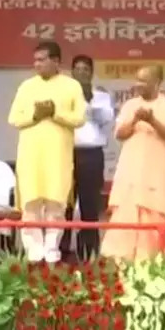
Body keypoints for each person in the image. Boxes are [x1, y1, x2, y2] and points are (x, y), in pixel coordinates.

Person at [7, 41, 85, 263]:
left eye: (42, 60)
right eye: (35, 60)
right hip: (30, 154)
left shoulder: (72, 86)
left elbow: (79, 118)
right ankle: (33, 248)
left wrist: (55, 113)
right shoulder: (26, 86)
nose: (37, 64)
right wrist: (35, 116)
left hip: (58, 154)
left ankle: (52, 247)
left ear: (56, 61)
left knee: (55, 202)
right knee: (31, 202)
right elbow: (13, 118)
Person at [100, 65, 165, 261]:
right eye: (137, 80)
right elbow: (120, 134)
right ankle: (120, 261)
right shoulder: (130, 105)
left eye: (144, 81)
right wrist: (136, 118)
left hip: (156, 175)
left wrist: (152, 120)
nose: (139, 85)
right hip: (131, 173)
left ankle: (151, 262)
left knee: (152, 221)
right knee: (125, 218)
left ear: (158, 83)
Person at [59, 55, 113, 262]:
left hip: (91, 155)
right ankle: (63, 249)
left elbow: (106, 119)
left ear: (92, 72)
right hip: (67, 152)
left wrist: (89, 101)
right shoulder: (64, 95)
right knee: (66, 203)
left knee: (90, 204)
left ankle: (88, 251)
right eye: (78, 69)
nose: (81, 73)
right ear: (72, 72)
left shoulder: (101, 96)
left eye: (86, 69)